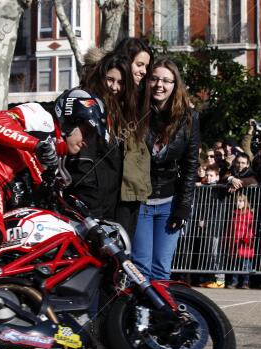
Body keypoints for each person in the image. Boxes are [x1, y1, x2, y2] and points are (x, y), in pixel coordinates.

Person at [0, 89, 109, 303]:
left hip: (9, 202)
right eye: (86, 132)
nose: (87, 141)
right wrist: (35, 145)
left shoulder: (62, 163)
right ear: (70, 121)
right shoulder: (41, 116)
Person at [131, 57, 200, 281]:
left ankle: (158, 317)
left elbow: (190, 166)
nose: (160, 85)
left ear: (174, 85)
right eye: (155, 79)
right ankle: (139, 317)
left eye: (167, 81)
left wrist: (183, 208)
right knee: (141, 267)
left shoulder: (189, 118)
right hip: (139, 201)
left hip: (169, 203)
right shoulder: (135, 113)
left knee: (161, 268)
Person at [65, 53, 137, 220]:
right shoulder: (85, 105)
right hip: (88, 203)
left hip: (112, 201)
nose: (115, 87)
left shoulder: (120, 109)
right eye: (110, 79)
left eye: (121, 82)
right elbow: (83, 162)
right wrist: (92, 206)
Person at [113, 37, 153, 239]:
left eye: (146, 66)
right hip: (110, 192)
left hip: (131, 191)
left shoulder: (140, 100)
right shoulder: (108, 95)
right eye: (139, 64)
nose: (144, 71)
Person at [227, 193, 254, 289]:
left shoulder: (249, 214)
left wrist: (248, 237)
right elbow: (230, 229)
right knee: (235, 264)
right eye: (237, 201)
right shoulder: (234, 214)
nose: (239, 203)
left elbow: (251, 228)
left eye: (241, 201)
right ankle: (234, 281)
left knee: (246, 264)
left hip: (245, 242)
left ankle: (246, 282)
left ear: (245, 202)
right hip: (235, 242)